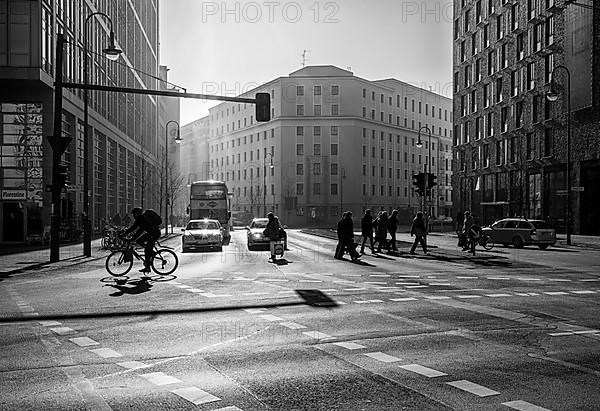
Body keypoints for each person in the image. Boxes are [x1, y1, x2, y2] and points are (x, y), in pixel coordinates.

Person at [121, 207, 162, 273]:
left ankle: (147, 267)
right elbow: (133, 227)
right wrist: (124, 234)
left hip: (155, 234)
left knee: (147, 250)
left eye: (135, 214)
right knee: (139, 241)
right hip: (150, 233)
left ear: (138, 214)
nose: (134, 216)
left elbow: (140, 231)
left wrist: (132, 238)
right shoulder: (139, 219)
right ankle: (151, 252)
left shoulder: (143, 219)